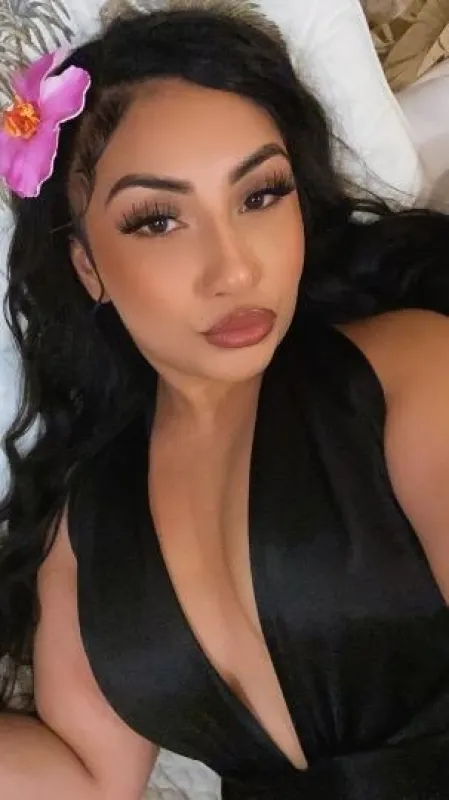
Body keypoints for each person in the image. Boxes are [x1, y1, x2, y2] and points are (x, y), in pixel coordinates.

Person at [1, 6, 449, 799]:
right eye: (157, 220)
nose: (234, 270)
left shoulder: (409, 373)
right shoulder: (88, 523)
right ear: (88, 266)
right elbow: (87, 781)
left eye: (260, 195)